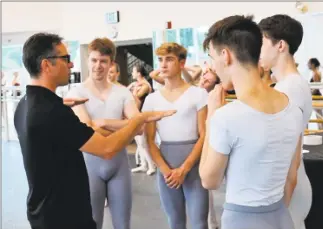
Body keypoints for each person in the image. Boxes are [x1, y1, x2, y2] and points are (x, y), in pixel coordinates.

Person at [13, 32, 175, 229]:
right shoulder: (53, 111)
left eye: (104, 61)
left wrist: (101, 122)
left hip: (48, 208)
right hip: (62, 213)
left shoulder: (26, 104)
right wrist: (138, 118)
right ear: (47, 65)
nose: (72, 64)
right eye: (65, 59)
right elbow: (105, 146)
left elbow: (86, 127)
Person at [199, 15, 303, 229]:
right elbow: (291, 178)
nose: (213, 67)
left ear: (225, 56)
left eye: (212, 57)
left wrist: (211, 117)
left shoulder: (226, 116)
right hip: (281, 217)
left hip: (243, 220)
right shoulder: (292, 108)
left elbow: (209, 180)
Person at [66, 37, 142, 229]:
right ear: (87, 60)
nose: (98, 66)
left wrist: (105, 122)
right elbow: (88, 129)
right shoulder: (76, 93)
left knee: (123, 225)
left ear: (111, 64)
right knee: (92, 224)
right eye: (94, 60)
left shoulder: (122, 92)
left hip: (119, 164)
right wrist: (125, 125)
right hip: (88, 165)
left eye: (103, 61)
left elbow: (139, 127)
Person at [143, 42, 209, 229]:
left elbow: (204, 135)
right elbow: (149, 140)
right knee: (175, 222)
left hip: (193, 164)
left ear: (182, 63)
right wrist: (166, 170)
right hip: (166, 165)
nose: (163, 65)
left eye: (169, 59)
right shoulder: (152, 99)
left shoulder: (198, 94)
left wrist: (185, 169)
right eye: (161, 60)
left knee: (199, 223)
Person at [258, 14, 313, 229]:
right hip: (288, 185)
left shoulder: (289, 89)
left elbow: (291, 154)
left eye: (261, 44)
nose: (256, 51)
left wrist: (281, 205)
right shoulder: (287, 84)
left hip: (288, 188)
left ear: (280, 45)